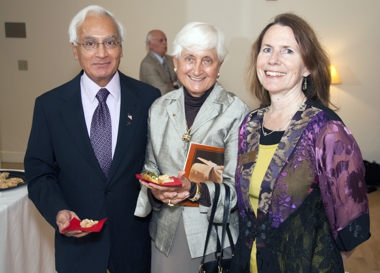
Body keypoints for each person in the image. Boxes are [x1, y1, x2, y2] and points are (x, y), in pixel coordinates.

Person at [24, 5, 160, 273]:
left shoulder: (148, 99)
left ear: (121, 48)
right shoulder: (49, 106)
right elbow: (39, 173)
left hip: (134, 246)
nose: (101, 53)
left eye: (110, 42)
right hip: (78, 249)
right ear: (75, 50)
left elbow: (157, 164)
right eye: (90, 43)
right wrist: (58, 211)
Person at [230, 13, 371, 273]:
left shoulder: (327, 130)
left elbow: (352, 226)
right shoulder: (250, 125)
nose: (274, 59)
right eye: (267, 49)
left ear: (307, 67)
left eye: (288, 51)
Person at [134, 22, 250, 273]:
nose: (197, 69)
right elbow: (150, 166)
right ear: (175, 62)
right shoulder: (159, 108)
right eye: (189, 58)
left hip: (213, 237)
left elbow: (237, 188)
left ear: (219, 65)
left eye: (207, 60)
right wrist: (155, 192)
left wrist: (194, 190)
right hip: (166, 232)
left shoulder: (235, 112)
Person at [139, 29, 180, 95]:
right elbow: (161, 91)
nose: (165, 43)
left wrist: (174, 84)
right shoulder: (147, 64)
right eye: (161, 40)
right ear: (150, 44)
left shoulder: (170, 59)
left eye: (165, 40)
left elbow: (182, 80)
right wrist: (178, 88)